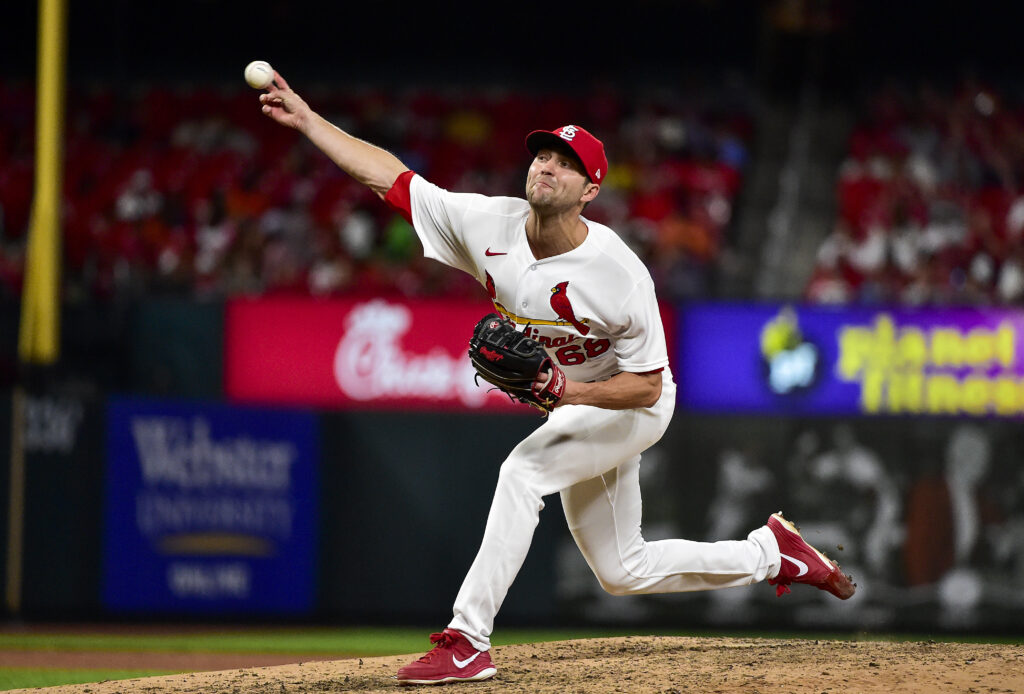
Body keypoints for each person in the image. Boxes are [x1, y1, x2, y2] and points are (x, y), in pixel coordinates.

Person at [257, 70, 855, 686]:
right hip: (577, 405)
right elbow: (388, 176)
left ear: (590, 189)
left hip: (631, 405)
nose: (545, 166)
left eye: (564, 163)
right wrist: (306, 119)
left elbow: (649, 385)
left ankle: (468, 638)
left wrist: (571, 394)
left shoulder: (618, 272)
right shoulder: (487, 225)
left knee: (522, 472)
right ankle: (770, 553)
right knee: (623, 569)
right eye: (542, 154)